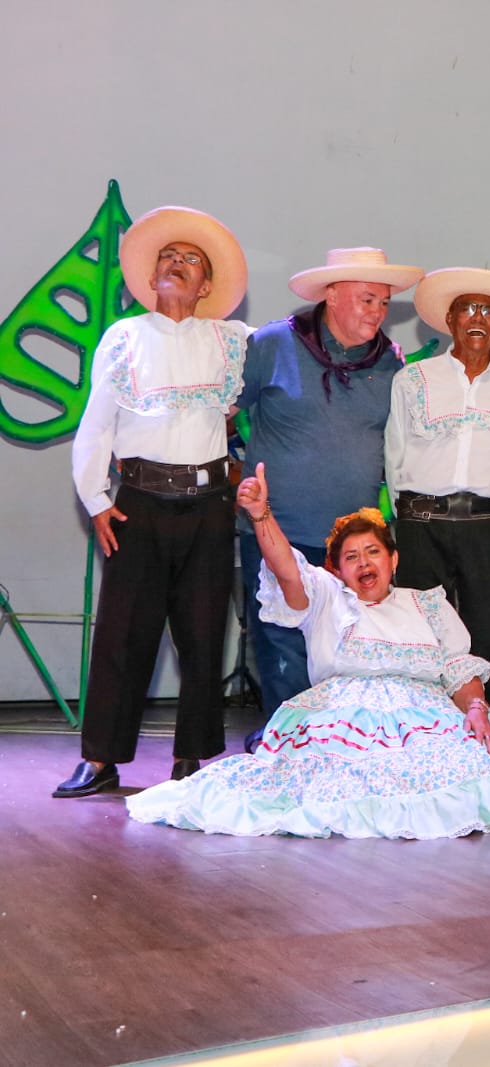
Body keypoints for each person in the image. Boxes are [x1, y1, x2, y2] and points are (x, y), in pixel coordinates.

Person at [126, 465, 490, 838]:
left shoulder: (426, 605)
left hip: (423, 724)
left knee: (474, 780)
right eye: (351, 557)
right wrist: (260, 516)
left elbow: (458, 669)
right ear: (337, 571)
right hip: (342, 722)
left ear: (393, 560)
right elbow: (287, 569)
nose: (363, 563)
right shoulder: (327, 598)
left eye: (372, 552)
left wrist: (477, 708)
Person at [55, 206, 252, 798]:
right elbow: (96, 425)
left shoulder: (234, 342)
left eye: (191, 260)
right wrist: (94, 499)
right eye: (168, 256)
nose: (176, 263)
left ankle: (192, 759)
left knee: (201, 632)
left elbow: (265, 396)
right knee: (122, 634)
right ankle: (101, 758)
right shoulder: (124, 337)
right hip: (137, 504)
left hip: (210, 505)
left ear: (208, 287)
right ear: (151, 275)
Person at [234, 248, 424, 753]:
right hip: (277, 534)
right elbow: (223, 412)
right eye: (367, 299)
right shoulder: (272, 344)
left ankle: (335, 749)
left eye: (384, 303)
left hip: (351, 548)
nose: (377, 313)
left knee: (346, 653)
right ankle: (289, 752)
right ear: (332, 295)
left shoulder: (390, 362)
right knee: (282, 653)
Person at [385, 268, 490, 705]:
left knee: (489, 634)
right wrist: (409, 521)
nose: (479, 318)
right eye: (468, 309)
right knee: (421, 636)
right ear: (450, 319)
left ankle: (483, 730)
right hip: (422, 525)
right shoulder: (413, 380)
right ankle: (424, 732)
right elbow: (393, 455)